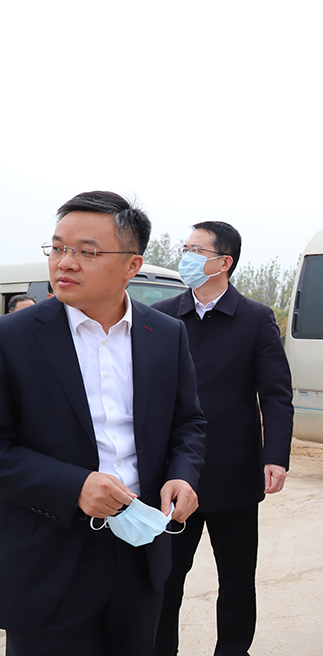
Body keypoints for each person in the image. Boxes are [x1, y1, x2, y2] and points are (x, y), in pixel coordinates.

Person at [0, 191, 206, 656]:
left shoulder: (165, 334)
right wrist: (74, 486)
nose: (65, 262)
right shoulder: (12, 339)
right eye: (57, 248)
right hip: (48, 552)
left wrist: (182, 474)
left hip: (140, 547)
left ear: (132, 265)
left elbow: (188, 422)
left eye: (86, 252)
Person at [152, 222, 293, 656]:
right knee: (165, 579)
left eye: (196, 250)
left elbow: (276, 394)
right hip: (174, 473)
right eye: (185, 248)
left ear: (224, 262)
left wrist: (275, 456)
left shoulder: (254, 318)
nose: (186, 257)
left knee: (236, 579)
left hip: (234, 471)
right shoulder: (161, 316)